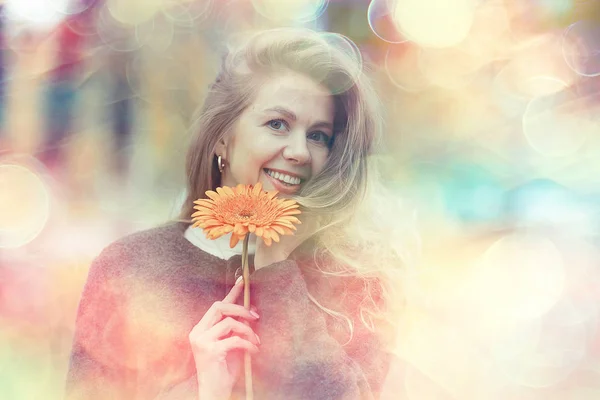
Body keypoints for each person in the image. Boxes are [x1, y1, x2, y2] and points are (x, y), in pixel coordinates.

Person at [65, 28, 405, 400]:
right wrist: (201, 391)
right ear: (222, 136)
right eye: (278, 124)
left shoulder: (351, 282)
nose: (300, 152)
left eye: (319, 135)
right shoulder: (131, 267)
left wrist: (278, 262)